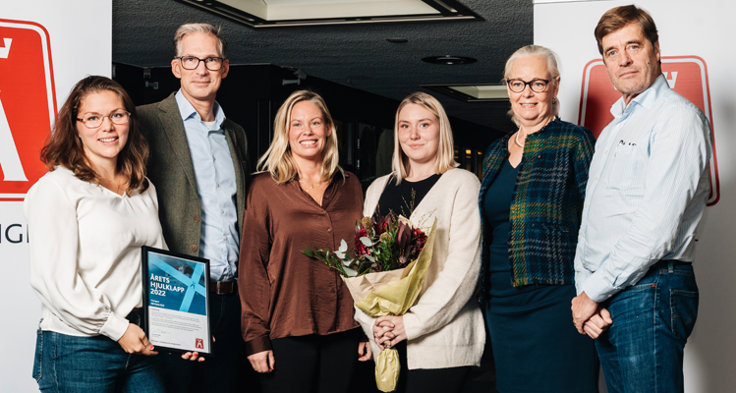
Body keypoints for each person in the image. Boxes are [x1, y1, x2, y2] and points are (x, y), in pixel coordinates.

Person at [26, 75, 201, 393]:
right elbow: (53, 283)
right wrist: (116, 328)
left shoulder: (143, 187)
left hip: (138, 338)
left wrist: (187, 327)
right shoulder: (56, 189)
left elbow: (160, 264)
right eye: (93, 118)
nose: (107, 127)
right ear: (75, 126)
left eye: (117, 115)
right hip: (79, 346)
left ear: (130, 121)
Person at [571, 5, 712, 393]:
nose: (624, 59)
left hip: (651, 288)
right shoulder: (613, 130)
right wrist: (586, 293)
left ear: (656, 49)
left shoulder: (677, 118)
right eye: (612, 52)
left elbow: (656, 229)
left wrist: (592, 292)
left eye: (633, 45)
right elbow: (592, 224)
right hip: (611, 293)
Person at [478, 45, 598, 393]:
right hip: (501, 301)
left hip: (556, 298)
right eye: (517, 83)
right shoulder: (496, 151)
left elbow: (598, 222)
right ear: (507, 87)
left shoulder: (575, 141)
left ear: (555, 86)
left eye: (537, 83)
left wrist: (594, 293)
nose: (526, 93)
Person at [137, 23, 250, 393]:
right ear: (175, 67)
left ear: (225, 67)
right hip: (175, 294)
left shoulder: (235, 133)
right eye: (191, 59)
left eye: (211, 59)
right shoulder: (145, 121)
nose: (201, 69)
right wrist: (176, 312)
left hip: (231, 298)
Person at [239, 90, 371, 393]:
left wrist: (367, 327)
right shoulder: (263, 188)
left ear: (328, 129)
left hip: (345, 328)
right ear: (285, 132)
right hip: (286, 328)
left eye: (314, 123)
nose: (307, 132)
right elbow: (252, 268)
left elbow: (366, 261)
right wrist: (255, 338)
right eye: (297, 124)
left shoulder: (351, 185)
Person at [355, 92, 485, 393]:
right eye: (404, 126)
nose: (413, 135)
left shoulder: (461, 184)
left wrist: (410, 325)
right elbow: (364, 269)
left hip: (439, 344)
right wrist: (371, 323)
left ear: (441, 130)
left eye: (424, 125)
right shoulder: (377, 188)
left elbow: (463, 271)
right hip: (385, 341)